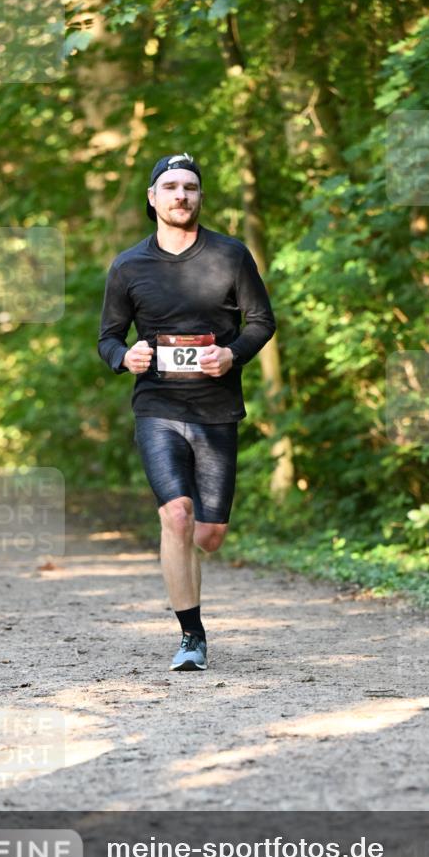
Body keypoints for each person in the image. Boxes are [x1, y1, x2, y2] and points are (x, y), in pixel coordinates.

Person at [98, 152, 276, 671]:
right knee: (176, 514)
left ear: (199, 197)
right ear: (152, 198)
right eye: (171, 187)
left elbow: (261, 321)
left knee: (209, 535)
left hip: (216, 409)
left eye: (191, 188)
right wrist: (123, 357)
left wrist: (232, 353)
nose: (182, 196)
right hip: (157, 404)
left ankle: (195, 565)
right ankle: (191, 637)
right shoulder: (129, 266)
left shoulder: (231, 255)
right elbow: (108, 338)